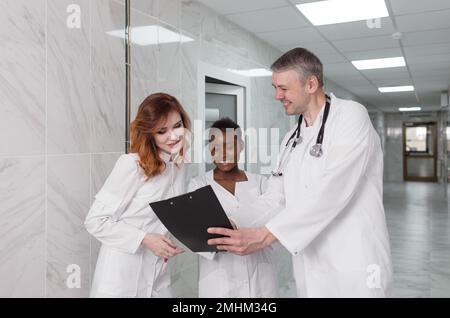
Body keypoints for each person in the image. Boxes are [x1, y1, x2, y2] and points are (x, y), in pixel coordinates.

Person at [207, 48, 393, 297]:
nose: (277, 96)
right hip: (311, 260)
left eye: (283, 88)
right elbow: (276, 197)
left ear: (311, 84)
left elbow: (332, 190)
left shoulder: (350, 116)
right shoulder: (290, 140)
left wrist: (265, 236)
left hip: (355, 258)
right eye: (275, 88)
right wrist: (234, 223)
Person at [85, 93, 191, 298]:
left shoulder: (179, 166)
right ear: (149, 133)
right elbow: (95, 221)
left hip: (157, 274)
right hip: (121, 276)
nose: (174, 136)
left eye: (177, 125)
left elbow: (173, 214)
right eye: (162, 131)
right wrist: (144, 239)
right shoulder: (132, 165)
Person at [188, 118, 280, 298]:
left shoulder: (262, 183)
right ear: (210, 150)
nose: (223, 153)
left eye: (229, 146)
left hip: (261, 281)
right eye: (216, 147)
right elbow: (194, 234)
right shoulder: (197, 185)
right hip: (217, 283)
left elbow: (276, 229)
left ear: (241, 146)